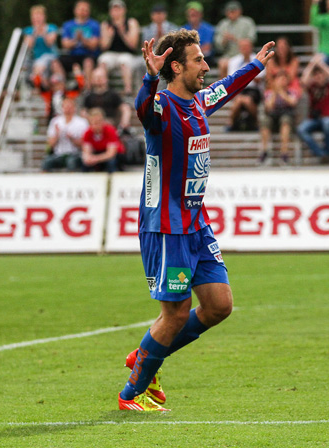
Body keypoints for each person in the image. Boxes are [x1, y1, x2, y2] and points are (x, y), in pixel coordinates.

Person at [118, 29, 274, 411]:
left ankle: (147, 355)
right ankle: (131, 393)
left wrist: (254, 65)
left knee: (219, 305)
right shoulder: (162, 108)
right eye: (198, 60)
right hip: (166, 226)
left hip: (195, 224)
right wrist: (149, 77)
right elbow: (143, 109)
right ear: (176, 66)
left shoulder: (199, 103)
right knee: (174, 314)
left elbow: (227, 87)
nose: (205, 66)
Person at [297, 54, 329, 164]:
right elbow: (303, 81)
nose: (319, 77)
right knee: (301, 129)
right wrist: (312, 65)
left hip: (327, 117)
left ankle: (327, 153)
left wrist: (321, 64)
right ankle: (322, 154)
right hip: (314, 119)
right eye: (316, 76)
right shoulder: (312, 87)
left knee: (327, 124)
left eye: (321, 75)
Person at [98, 0, 141, 95]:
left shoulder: (131, 23)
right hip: (111, 54)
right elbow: (103, 47)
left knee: (124, 62)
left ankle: (128, 90)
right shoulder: (105, 24)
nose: (116, 12)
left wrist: (122, 33)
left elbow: (133, 45)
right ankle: (104, 90)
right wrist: (109, 37)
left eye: (118, 9)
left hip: (127, 54)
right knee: (103, 61)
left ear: (124, 10)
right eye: (114, 9)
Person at [258, 71, 301, 165]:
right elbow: (268, 107)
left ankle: (284, 154)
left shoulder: (291, 91)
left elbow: (292, 102)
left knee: (285, 120)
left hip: (287, 119)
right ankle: (264, 152)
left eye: (284, 79)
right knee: (265, 121)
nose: (282, 81)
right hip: (273, 118)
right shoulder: (269, 93)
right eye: (280, 78)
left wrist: (281, 92)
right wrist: (274, 93)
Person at [224, 38, 265, 132]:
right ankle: (233, 122)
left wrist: (245, 72)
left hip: (254, 89)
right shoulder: (233, 61)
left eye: (247, 47)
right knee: (239, 100)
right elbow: (231, 80)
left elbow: (259, 79)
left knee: (246, 100)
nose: (245, 49)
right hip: (239, 89)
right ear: (240, 48)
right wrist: (250, 72)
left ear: (251, 47)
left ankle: (252, 122)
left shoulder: (259, 59)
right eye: (243, 47)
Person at [41, 96, 89, 172]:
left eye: (70, 106)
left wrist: (72, 139)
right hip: (59, 154)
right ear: (62, 108)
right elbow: (50, 145)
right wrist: (57, 135)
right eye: (66, 106)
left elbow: (85, 144)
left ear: (74, 108)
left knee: (71, 162)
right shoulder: (55, 121)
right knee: (47, 162)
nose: (68, 109)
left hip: (75, 153)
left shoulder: (82, 122)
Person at [214, 0, 257, 79]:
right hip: (229, 55)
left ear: (239, 11)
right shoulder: (223, 24)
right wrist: (224, 40)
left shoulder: (247, 22)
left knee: (245, 63)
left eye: (233, 11)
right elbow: (218, 45)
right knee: (222, 63)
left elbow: (251, 40)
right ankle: (224, 89)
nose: (231, 13)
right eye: (229, 11)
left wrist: (235, 39)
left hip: (244, 54)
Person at [59, 0, 101, 78]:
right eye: (81, 9)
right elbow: (65, 45)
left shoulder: (94, 25)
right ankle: (62, 88)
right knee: (56, 62)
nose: (83, 12)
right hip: (73, 55)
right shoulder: (68, 25)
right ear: (75, 10)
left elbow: (93, 45)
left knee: (88, 62)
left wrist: (82, 39)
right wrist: (76, 39)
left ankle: (88, 89)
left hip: (89, 55)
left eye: (85, 10)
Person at [23, 5, 59, 83]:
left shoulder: (51, 28)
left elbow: (49, 43)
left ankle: (36, 77)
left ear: (44, 17)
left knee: (44, 61)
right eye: (35, 16)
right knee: (40, 63)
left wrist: (43, 32)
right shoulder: (28, 30)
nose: (37, 18)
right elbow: (30, 44)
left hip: (51, 57)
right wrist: (35, 33)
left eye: (39, 16)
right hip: (36, 59)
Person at [81, 108, 121, 172]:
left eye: (97, 122)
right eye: (93, 123)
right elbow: (86, 151)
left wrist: (95, 158)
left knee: (111, 162)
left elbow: (111, 153)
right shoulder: (87, 133)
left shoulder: (110, 130)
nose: (95, 125)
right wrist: (88, 158)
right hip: (98, 154)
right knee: (85, 163)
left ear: (103, 121)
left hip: (114, 155)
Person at [182, 1, 217, 69]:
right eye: (191, 15)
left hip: (204, 57)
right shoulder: (183, 29)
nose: (192, 17)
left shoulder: (208, 28)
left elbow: (207, 47)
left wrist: (191, 52)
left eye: (195, 14)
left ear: (200, 15)